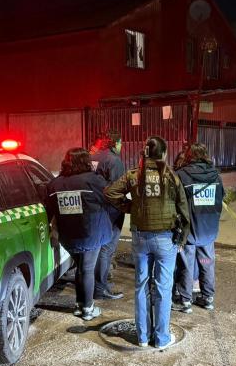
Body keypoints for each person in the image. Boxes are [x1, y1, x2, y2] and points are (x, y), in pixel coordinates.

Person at [105, 136, 190, 349]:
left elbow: (110, 192)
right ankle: (161, 338)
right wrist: (184, 236)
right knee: (163, 287)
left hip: (141, 238)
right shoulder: (171, 176)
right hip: (165, 239)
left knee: (141, 286)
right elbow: (183, 208)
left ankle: (142, 337)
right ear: (163, 153)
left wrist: (130, 207)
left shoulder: (135, 174)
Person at [46, 147, 114, 321]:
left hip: (69, 236)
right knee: (88, 268)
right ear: (85, 161)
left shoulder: (56, 184)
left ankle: (79, 304)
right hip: (91, 233)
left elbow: (50, 208)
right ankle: (88, 309)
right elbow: (109, 198)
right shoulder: (94, 180)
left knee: (81, 267)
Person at [174, 143, 224, 313]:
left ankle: (185, 300)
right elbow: (221, 198)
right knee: (206, 262)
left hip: (189, 229)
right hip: (209, 229)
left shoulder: (182, 175)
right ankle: (208, 298)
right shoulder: (216, 176)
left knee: (187, 265)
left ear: (189, 156)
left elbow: (175, 201)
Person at [90, 129, 126, 301]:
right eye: (120, 143)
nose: (121, 146)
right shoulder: (114, 161)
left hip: (94, 208)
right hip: (111, 211)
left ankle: (98, 283)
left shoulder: (93, 158)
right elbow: (118, 189)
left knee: (98, 248)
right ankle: (100, 288)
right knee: (107, 248)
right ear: (115, 144)